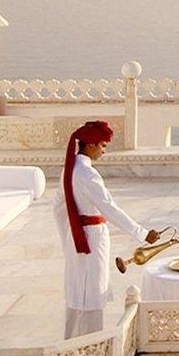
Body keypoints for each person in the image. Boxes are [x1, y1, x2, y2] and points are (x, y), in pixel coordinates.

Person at [56, 120, 157, 337]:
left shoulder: (69, 169)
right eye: (102, 145)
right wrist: (141, 233)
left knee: (77, 291)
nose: (103, 150)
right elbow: (109, 208)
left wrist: (67, 235)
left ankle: (70, 341)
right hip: (91, 237)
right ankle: (91, 343)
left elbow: (58, 207)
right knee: (92, 291)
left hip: (77, 236)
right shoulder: (87, 174)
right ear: (91, 144)